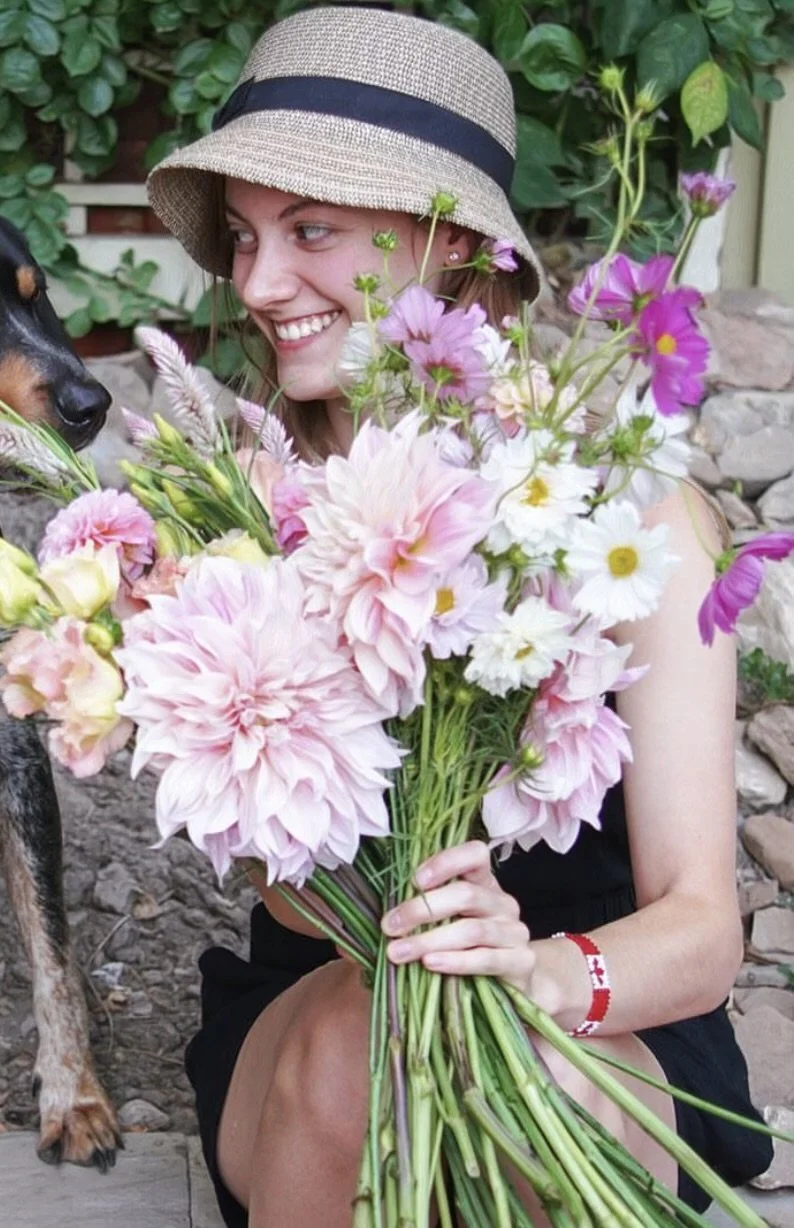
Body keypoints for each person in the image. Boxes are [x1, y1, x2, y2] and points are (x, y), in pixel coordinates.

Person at [144, 6, 773, 1227]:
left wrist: (531, 970)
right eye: (245, 239)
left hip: (598, 1014)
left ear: (447, 239)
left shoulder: (618, 515)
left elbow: (701, 929)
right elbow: (285, 893)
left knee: (514, 1067)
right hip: (321, 1016)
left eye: (310, 230)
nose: (260, 285)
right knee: (359, 1033)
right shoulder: (241, 510)